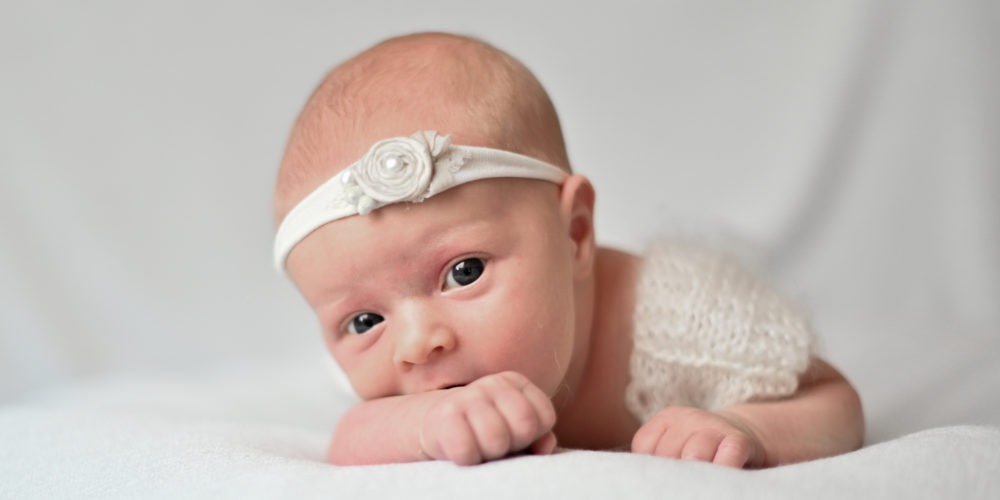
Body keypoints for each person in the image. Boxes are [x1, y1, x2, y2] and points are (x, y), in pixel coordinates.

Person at [272, 32, 864, 468]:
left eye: (464, 272)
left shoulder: (680, 314)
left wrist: (746, 430)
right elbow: (351, 439)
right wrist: (429, 425)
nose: (418, 344)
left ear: (575, 232)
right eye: (365, 320)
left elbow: (833, 401)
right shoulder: (403, 378)